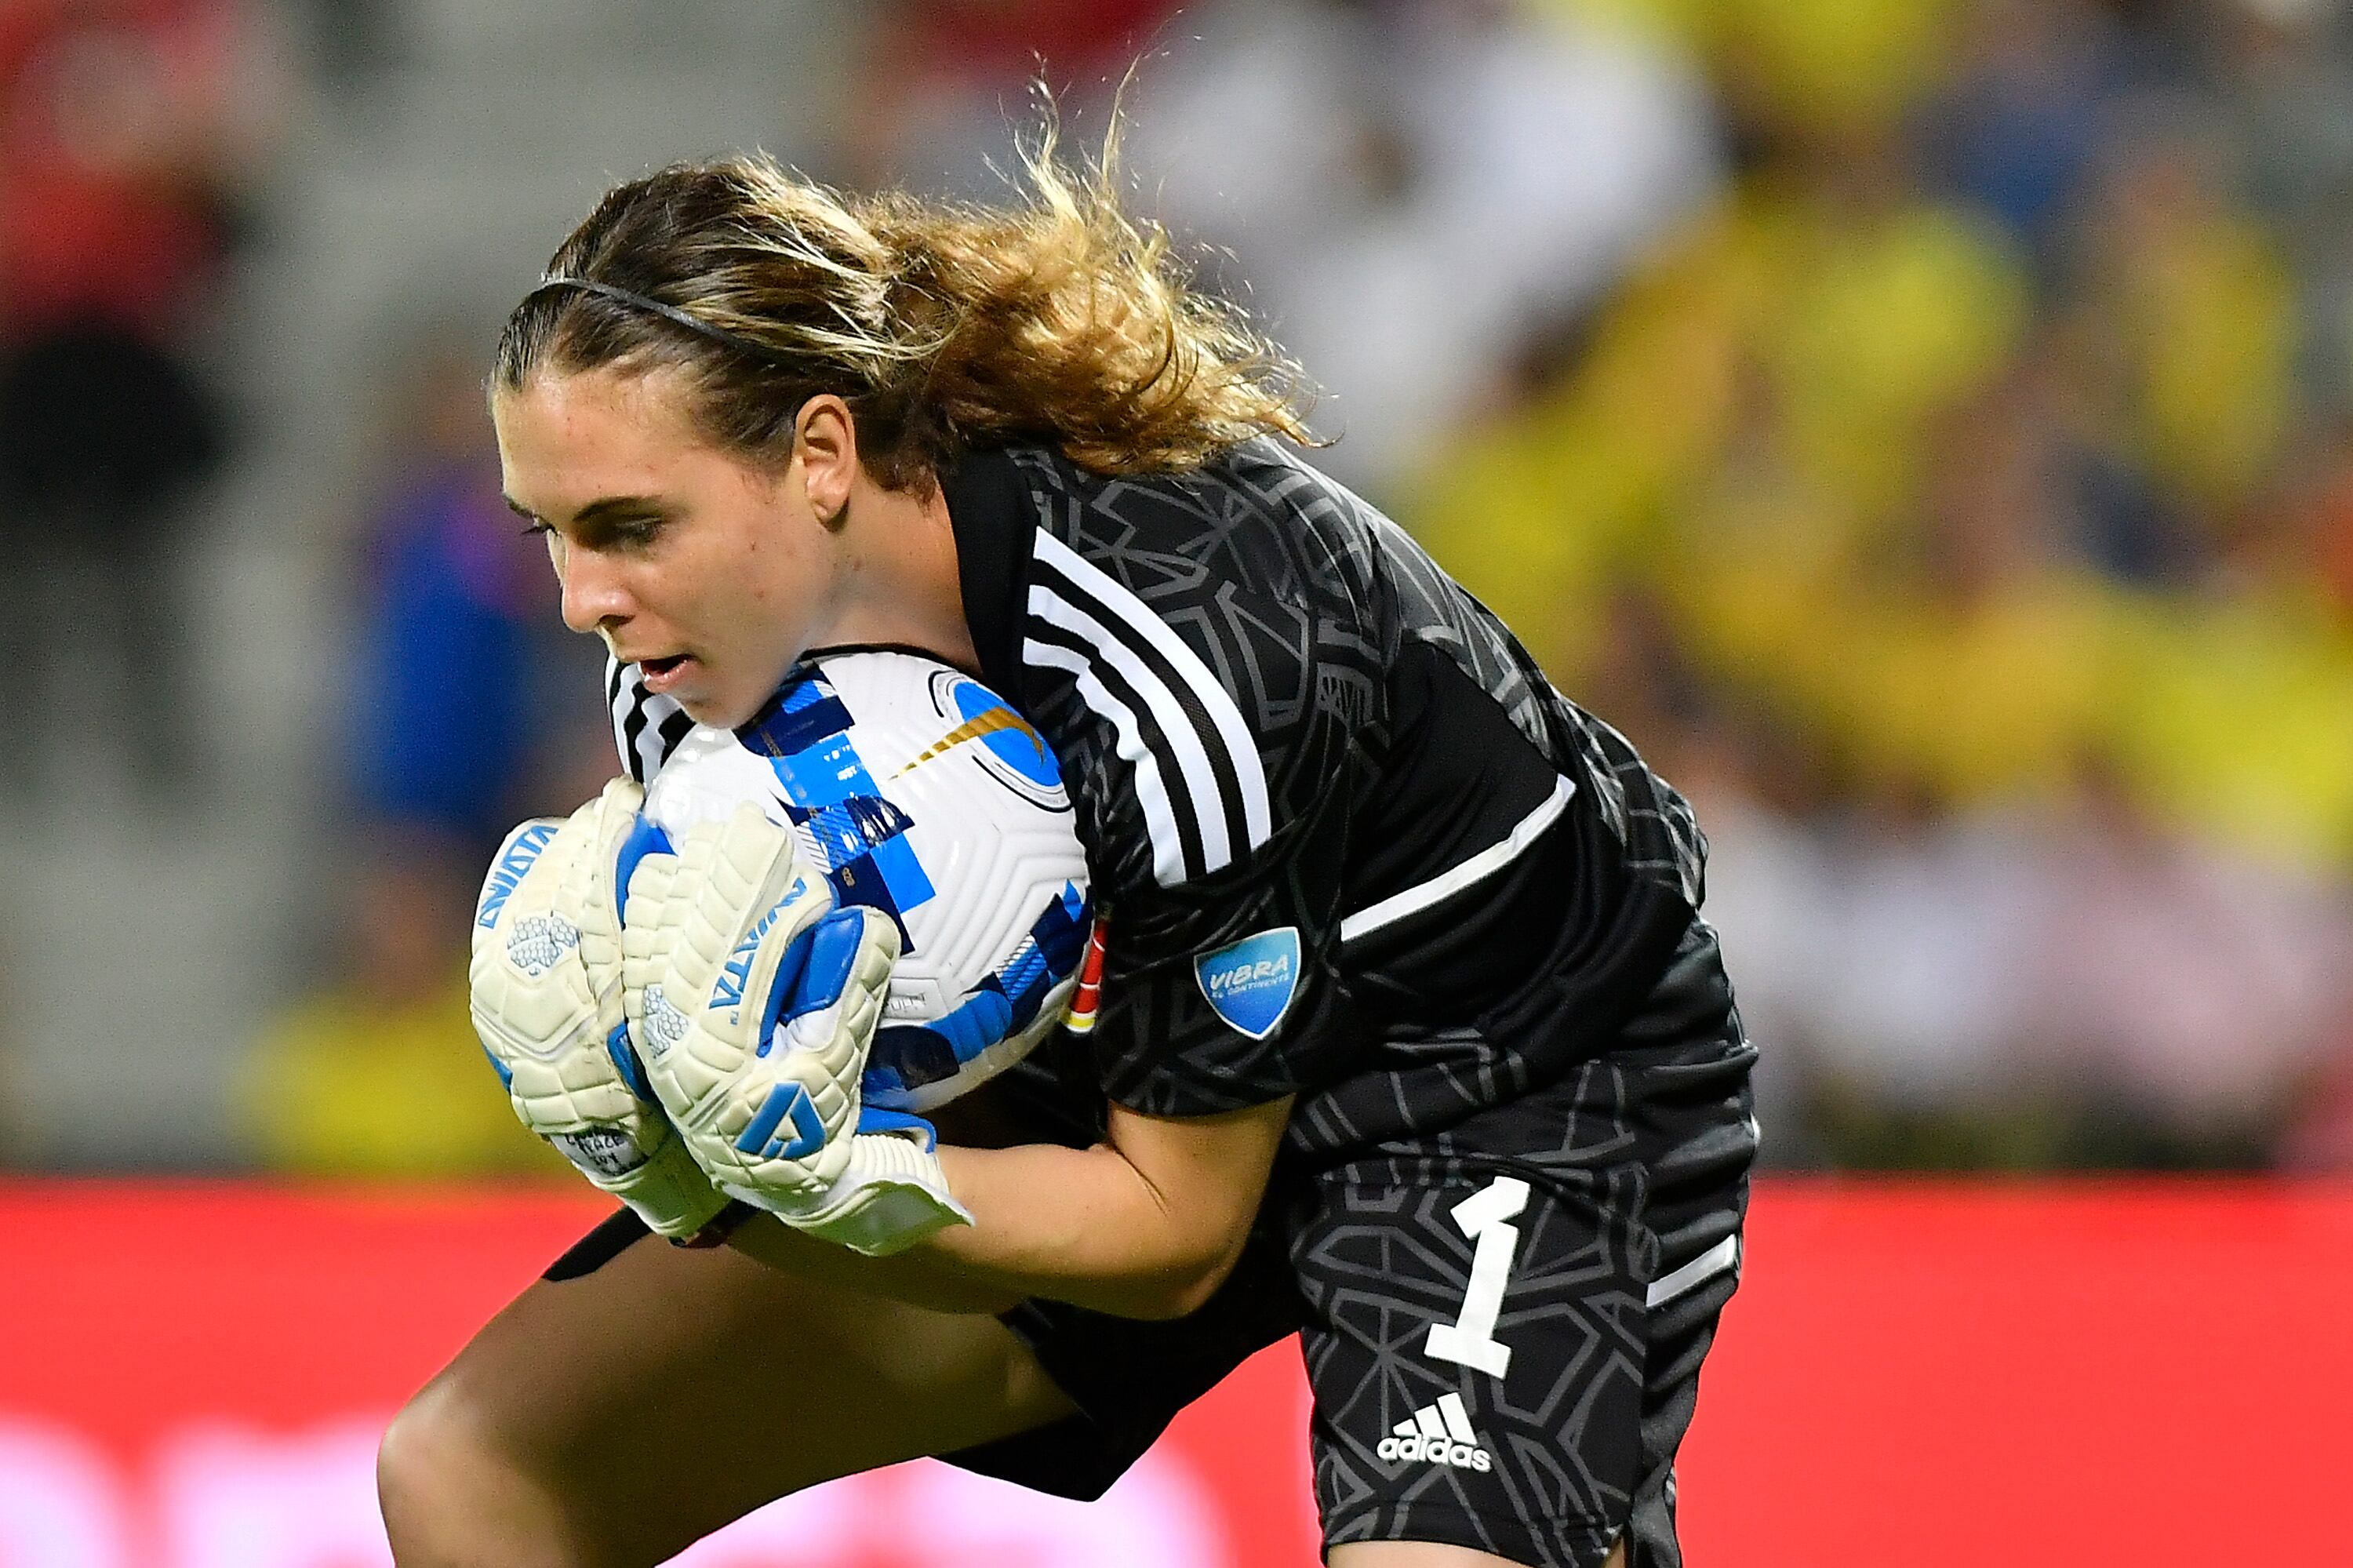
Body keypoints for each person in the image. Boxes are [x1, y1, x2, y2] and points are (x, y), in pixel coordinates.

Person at [376, 122, 1758, 1568]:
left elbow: (1173, 1236)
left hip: (1495, 1078)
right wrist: (688, 1165)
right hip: (1105, 1058)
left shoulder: (1190, 635)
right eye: (549, 532)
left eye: (629, 524)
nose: (581, 598)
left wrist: (816, 1180)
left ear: (824, 454)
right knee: (473, 1471)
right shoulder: (694, 666)